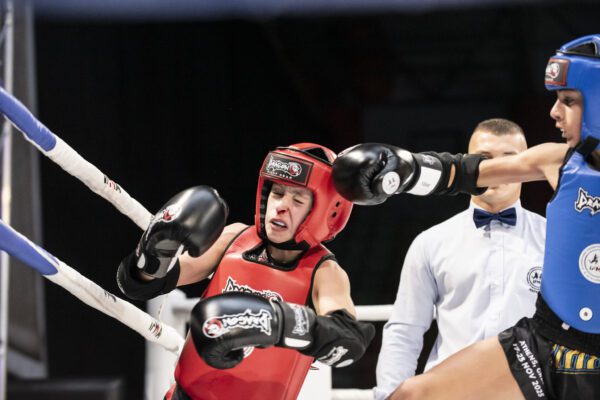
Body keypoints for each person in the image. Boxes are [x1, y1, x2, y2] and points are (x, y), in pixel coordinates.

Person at [333, 34, 600, 399]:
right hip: (545, 341)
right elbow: (465, 172)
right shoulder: (558, 161)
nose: (554, 112)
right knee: (412, 395)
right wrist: (405, 170)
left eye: (568, 101)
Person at [116, 143, 375, 400]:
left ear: (325, 211)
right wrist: (156, 252)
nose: (281, 206)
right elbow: (145, 284)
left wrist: (277, 322)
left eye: (297, 200)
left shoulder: (323, 271)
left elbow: (349, 339)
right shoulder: (236, 238)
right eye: (277, 193)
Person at [374, 119, 546, 400]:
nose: (497, 169)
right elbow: (405, 330)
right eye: (485, 160)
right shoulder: (431, 242)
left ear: (526, 167)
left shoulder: (553, 241)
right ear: (467, 165)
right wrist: (388, 396)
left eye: (509, 159)